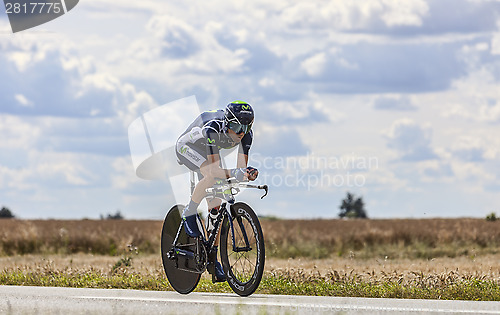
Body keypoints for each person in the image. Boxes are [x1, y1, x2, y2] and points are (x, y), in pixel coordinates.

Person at [175, 101, 259, 282]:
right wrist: (237, 174)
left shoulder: (246, 135)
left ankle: (212, 257)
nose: (241, 132)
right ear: (227, 122)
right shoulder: (213, 128)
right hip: (188, 147)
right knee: (211, 176)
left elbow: (240, 170)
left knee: (217, 204)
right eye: (237, 126)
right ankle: (189, 213)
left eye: (247, 126)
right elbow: (213, 171)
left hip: (208, 149)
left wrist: (247, 174)